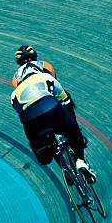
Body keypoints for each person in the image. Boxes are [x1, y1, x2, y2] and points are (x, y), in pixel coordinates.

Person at [10, 45, 97, 182]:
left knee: (44, 154)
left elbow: (22, 113)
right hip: (51, 107)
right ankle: (80, 161)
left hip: (29, 119)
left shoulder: (14, 92)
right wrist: (73, 127)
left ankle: (62, 167)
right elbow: (66, 102)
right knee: (72, 128)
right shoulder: (46, 74)